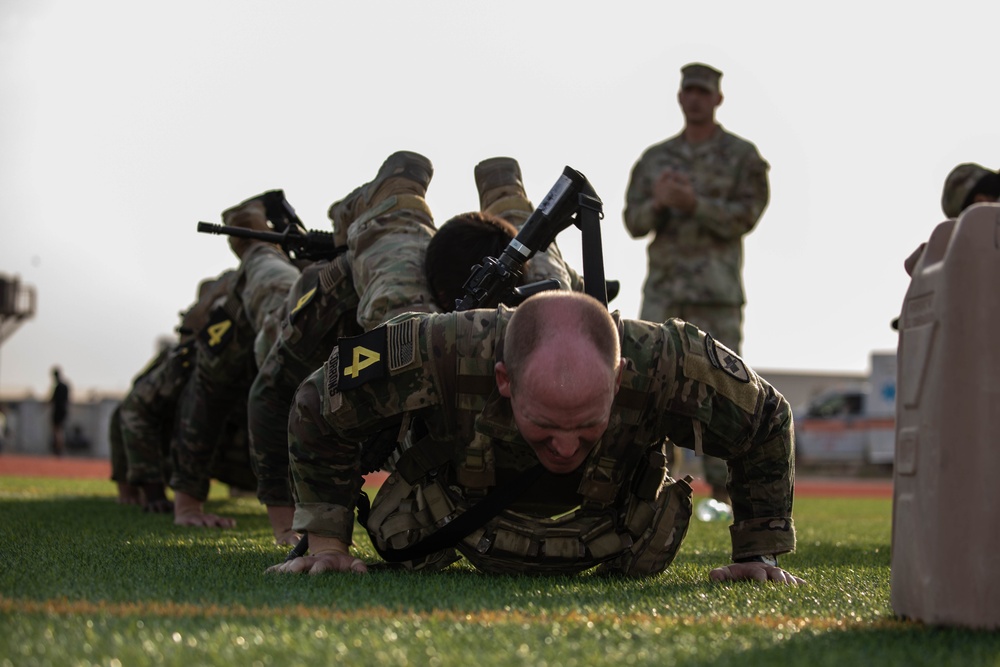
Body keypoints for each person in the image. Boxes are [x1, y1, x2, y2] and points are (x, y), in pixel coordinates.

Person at [268, 291, 802, 585]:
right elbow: (318, 405)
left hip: (618, 523)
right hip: (449, 516)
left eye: (586, 426)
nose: (566, 448)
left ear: (617, 380)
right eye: (545, 427)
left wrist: (760, 554)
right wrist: (327, 543)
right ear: (503, 379)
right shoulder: (444, 348)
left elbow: (767, 420)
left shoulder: (666, 362)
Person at [248, 151, 584, 545]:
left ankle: (501, 182)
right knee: (398, 192)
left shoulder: (544, 297)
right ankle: (289, 225)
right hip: (323, 289)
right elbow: (271, 391)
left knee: (514, 206)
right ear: (442, 301)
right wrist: (284, 521)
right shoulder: (392, 299)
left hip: (505, 274)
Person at [623, 62, 770, 504]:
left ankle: (728, 497)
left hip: (716, 296)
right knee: (651, 387)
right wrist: (659, 203)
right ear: (680, 97)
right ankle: (647, 491)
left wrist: (694, 204)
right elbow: (632, 221)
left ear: (717, 99)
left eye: (704, 92)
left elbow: (746, 217)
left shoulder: (742, 157)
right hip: (665, 295)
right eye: (689, 91)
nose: (695, 99)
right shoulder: (655, 159)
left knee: (726, 393)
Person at [49, 367, 70, 456]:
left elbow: (52, 399)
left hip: (58, 410)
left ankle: (58, 449)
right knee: (60, 430)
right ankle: (60, 448)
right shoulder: (65, 385)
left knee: (57, 430)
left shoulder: (57, 386)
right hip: (64, 410)